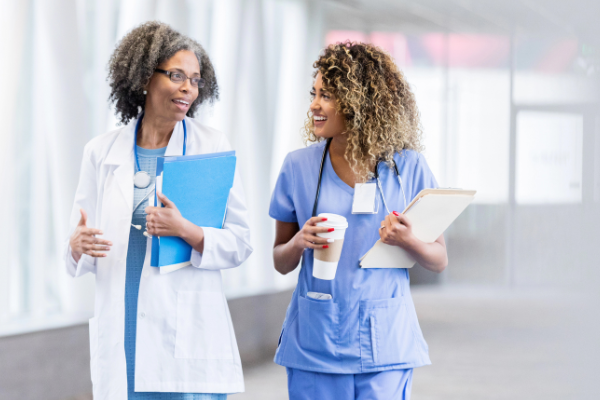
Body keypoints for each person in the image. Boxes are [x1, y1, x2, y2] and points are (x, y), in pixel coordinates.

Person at [64, 22, 252, 400]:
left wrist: (186, 229)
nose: (188, 89)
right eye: (177, 75)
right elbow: (77, 247)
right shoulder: (100, 152)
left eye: (196, 80)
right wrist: (76, 245)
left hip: (185, 337)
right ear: (144, 78)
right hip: (124, 330)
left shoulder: (210, 146)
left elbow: (240, 242)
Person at [269, 42, 448, 400]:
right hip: (315, 342)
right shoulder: (298, 167)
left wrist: (409, 240)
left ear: (359, 102)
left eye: (328, 96)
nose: (315, 105)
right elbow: (280, 261)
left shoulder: (408, 168)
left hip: (386, 344)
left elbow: (439, 260)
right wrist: (300, 241)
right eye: (314, 93)